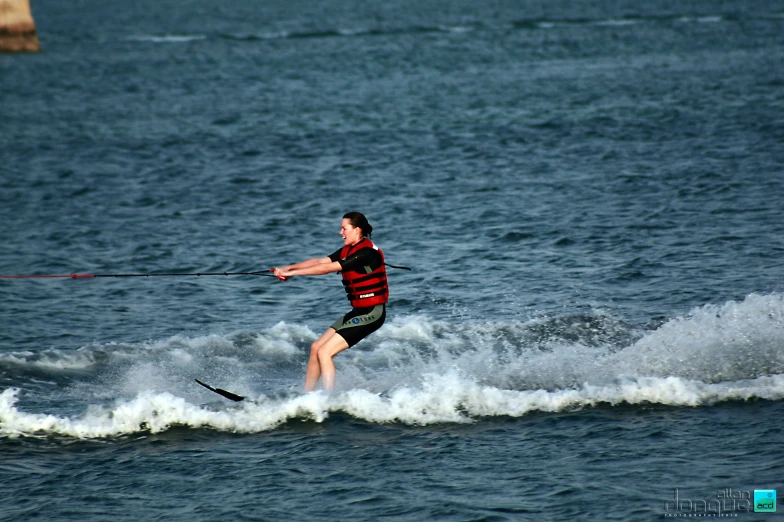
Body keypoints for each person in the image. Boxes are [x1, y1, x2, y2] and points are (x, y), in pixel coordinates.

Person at [273, 212, 388, 392]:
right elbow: (320, 261)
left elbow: (326, 268)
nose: (340, 232)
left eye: (344, 229)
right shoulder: (348, 250)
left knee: (325, 352)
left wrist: (292, 274)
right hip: (358, 312)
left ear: (357, 230)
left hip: (373, 313)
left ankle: (328, 399)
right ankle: (307, 395)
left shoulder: (366, 253)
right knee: (316, 348)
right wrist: (289, 267)